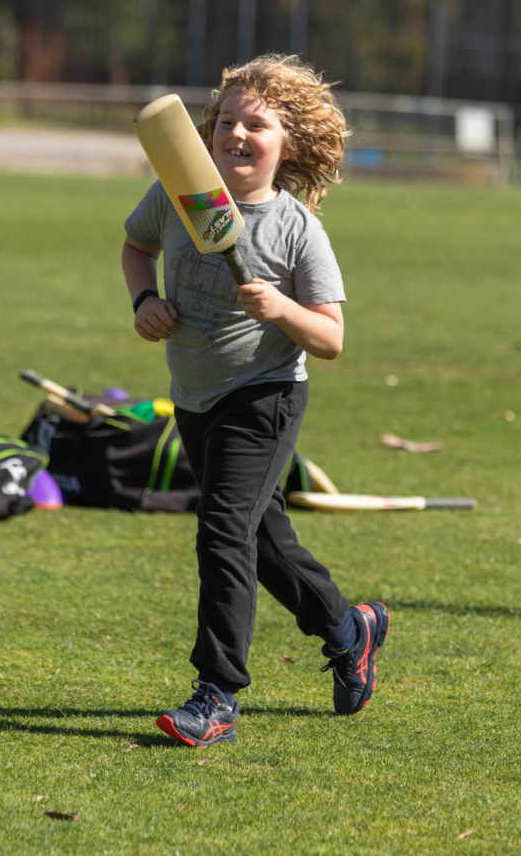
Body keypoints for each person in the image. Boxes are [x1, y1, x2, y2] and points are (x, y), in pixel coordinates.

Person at [121, 54, 388, 747]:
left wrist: (279, 307)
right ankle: (348, 628)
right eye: (227, 123)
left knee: (221, 529)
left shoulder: (298, 229)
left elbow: (330, 337)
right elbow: (134, 246)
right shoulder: (182, 194)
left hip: (264, 395)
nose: (237, 135)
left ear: (287, 144)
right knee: (264, 542)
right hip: (196, 396)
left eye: (257, 125)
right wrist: (144, 299)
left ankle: (217, 694)